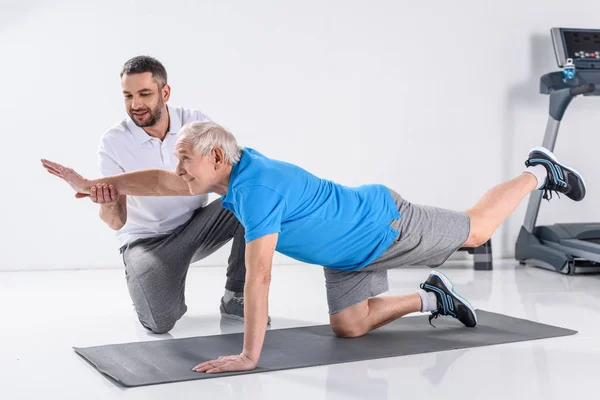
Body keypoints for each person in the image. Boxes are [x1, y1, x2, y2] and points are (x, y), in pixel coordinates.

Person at [41, 120, 587, 374]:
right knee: (348, 326)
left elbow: (259, 276)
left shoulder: (254, 188)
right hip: (345, 254)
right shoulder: (228, 174)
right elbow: (160, 183)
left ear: (215, 159)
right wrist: (92, 186)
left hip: (382, 223)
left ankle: (538, 171)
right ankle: (431, 298)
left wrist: (249, 356)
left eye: (185, 158)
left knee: (476, 229)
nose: (177, 168)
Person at [92, 56, 255, 334]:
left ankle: (234, 295)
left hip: (196, 228)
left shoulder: (195, 122)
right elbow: (116, 222)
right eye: (128, 96)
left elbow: (233, 172)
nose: (136, 105)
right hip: (146, 243)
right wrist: (108, 204)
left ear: (164, 92)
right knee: (159, 323)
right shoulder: (113, 142)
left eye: (145, 94)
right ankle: (151, 282)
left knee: (251, 194)